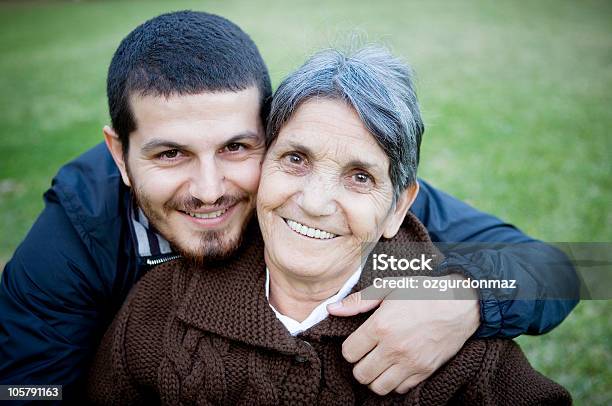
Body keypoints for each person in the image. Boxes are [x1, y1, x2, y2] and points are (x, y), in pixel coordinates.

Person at [0, 10, 578, 403]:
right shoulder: (74, 237)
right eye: (171, 153)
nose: (208, 189)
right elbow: (28, 390)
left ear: (269, 133)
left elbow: (569, 267)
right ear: (119, 155)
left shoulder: (329, 201)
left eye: (236, 147)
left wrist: (466, 296)